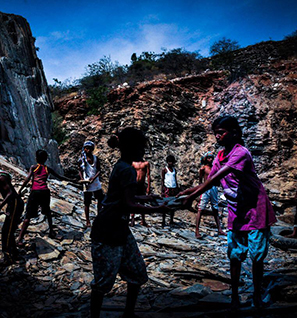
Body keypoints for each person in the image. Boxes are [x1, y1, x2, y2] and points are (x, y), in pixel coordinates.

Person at [177, 115, 277, 310]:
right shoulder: (219, 157)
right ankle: (234, 297)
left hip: (255, 208)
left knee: (257, 256)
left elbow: (216, 179)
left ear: (234, 133)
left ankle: (256, 296)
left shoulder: (241, 153)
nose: (217, 137)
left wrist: (191, 197)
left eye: (221, 133)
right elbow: (209, 180)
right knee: (234, 254)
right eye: (216, 133)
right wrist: (187, 192)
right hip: (236, 209)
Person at [90, 127, 171, 318]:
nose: (143, 151)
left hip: (118, 228)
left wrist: (147, 198)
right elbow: (128, 203)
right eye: (141, 147)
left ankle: (128, 313)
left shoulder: (122, 166)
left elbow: (126, 197)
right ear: (131, 147)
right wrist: (157, 209)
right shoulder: (126, 170)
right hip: (109, 230)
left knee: (137, 273)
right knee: (104, 281)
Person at [17, 149, 73, 245]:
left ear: (36, 158)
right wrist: (74, 180)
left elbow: (27, 178)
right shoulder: (48, 169)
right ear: (46, 159)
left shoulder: (33, 167)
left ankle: (20, 238)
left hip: (35, 192)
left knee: (28, 215)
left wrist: (20, 190)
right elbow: (60, 177)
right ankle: (51, 232)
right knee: (47, 212)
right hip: (45, 192)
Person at [195, 152, 226, 238]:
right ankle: (197, 231)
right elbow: (200, 181)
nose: (210, 159)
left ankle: (219, 229)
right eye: (208, 158)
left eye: (211, 158)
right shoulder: (203, 168)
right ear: (205, 159)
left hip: (214, 188)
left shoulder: (214, 168)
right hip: (206, 189)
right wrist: (200, 190)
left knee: (215, 209)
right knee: (200, 209)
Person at [0, 171, 24, 265]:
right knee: (8, 229)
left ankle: (8, 256)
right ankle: (13, 252)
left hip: (15, 204)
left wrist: (1, 205)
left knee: (7, 231)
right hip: (12, 204)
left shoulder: (1, 178)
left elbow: (10, 193)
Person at [78, 141, 104, 227]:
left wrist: (94, 177)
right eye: (86, 148)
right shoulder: (82, 159)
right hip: (87, 183)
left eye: (90, 148)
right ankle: (88, 221)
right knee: (87, 203)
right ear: (84, 149)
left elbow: (99, 170)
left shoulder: (95, 159)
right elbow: (80, 170)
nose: (88, 150)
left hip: (95, 182)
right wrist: (82, 179)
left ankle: (99, 217)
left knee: (100, 200)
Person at [130, 159, 151, 227]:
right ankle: (132, 219)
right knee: (133, 201)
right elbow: (130, 173)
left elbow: (148, 175)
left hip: (141, 185)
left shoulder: (146, 163)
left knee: (142, 202)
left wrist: (148, 186)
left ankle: (143, 220)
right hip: (134, 184)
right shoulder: (133, 163)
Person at [161, 155, 179, 227]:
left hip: (173, 188)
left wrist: (177, 188)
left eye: (171, 162)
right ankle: (163, 220)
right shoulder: (165, 170)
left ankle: (171, 220)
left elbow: (175, 179)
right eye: (169, 162)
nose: (170, 163)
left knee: (173, 204)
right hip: (167, 188)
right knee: (165, 204)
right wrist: (162, 189)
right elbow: (162, 180)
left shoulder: (174, 170)